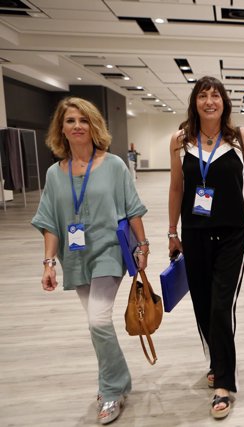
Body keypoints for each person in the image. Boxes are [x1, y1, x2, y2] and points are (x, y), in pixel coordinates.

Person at [31, 97, 149, 425]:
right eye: (70, 121)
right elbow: (51, 222)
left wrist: (143, 246)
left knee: (98, 320)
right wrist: (48, 264)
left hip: (109, 252)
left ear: (94, 125)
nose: (78, 126)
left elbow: (133, 208)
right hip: (75, 257)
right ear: (62, 129)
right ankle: (115, 379)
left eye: (83, 120)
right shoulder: (55, 174)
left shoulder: (113, 165)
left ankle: (111, 389)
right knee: (97, 325)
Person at [167, 76, 244, 419]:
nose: (210, 101)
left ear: (224, 102)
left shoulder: (240, 138)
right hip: (193, 233)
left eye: (216, 96)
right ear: (195, 102)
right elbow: (177, 189)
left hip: (233, 235)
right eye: (203, 96)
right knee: (204, 307)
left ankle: (224, 382)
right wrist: (171, 232)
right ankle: (216, 360)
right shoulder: (180, 141)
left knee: (222, 307)